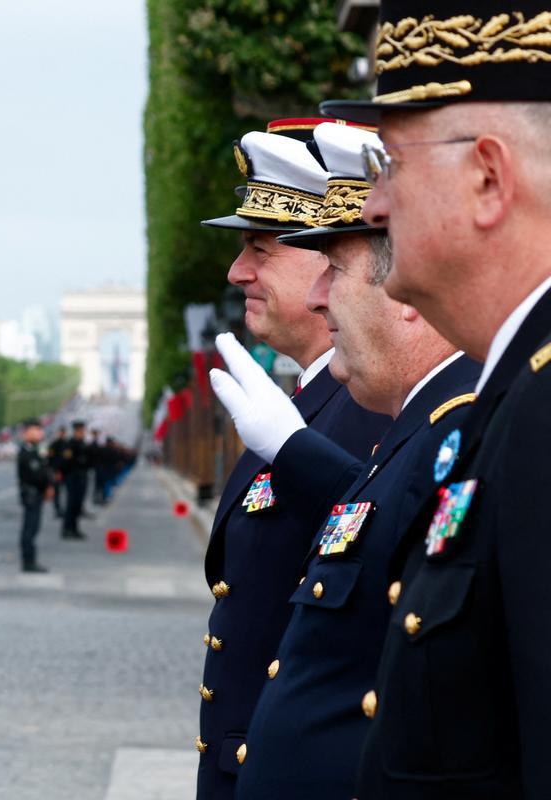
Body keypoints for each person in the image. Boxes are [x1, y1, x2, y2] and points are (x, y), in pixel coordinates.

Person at [317, 1, 551, 795]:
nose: (373, 206)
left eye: (392, 165)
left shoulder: (543, 418)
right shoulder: (517, 399)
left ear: (488, 178)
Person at [210, 121, 481, 798]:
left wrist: (297, 453)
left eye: (332, 267)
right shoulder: (393, 407)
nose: (317, 296)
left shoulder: (419, 414)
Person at [193, 125, 391, 800]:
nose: (236, 272)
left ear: (321, 257)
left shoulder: (371, 407)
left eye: (258, 250)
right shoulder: (314, 402)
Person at [16, 418, 52, 573]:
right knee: (29, 529)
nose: (40, 432)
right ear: (27, 432)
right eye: (36, 429)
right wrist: (47, 485)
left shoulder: (37, 449)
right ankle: (28, 561)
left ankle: (30, 560)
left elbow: (45, 468)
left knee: (33, 527)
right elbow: (37, 474)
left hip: (36, 493)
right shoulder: (27, 451)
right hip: (31, 493)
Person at [59, 420, 91, 540]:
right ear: (77, 431)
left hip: (81, 476)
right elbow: (65, 461)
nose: (83, 432)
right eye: (81, 430)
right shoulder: (70, 444)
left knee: (78, 504)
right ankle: (67, 529)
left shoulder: (82, 443)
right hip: (72, 476)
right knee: (71, 504)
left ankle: (75, 528)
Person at [48, 426, 68, 518]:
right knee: (57, 492)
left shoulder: (67, 444)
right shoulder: (54, 444)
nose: (62, 434)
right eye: (61, 432)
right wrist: (55, 471)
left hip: (66, 471)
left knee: (66, 491)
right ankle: (58, 509)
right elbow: (50, 458)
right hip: (57, 471)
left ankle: (64, 509)